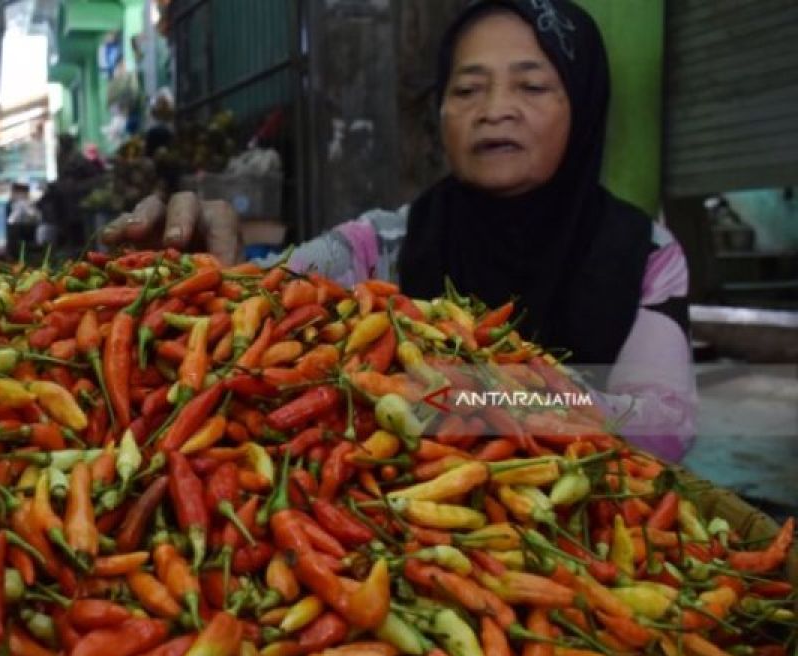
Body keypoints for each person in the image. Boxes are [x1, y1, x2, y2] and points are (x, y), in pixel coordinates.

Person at [100, 0, 695, 460]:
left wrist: (475, 393)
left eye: (532, 85)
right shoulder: (382, 246)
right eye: (466, 89)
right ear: (440, 112)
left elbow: (664, 429)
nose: (494, 108)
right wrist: (200, 285)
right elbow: (266, 300)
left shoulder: (644, 255)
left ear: (585, 106)